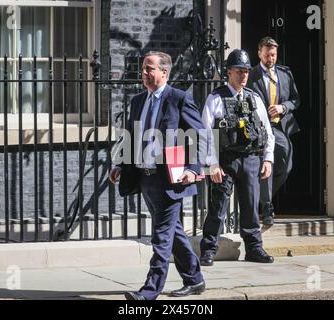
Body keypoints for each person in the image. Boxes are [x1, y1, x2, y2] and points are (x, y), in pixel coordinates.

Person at [109, 51, 205, 300]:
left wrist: (193, 169)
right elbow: (130, 134)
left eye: (150, 68)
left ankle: (150, 291)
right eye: (143, 68)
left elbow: (198, 136)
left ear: (165, 72)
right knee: (173, 232)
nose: (145, 73)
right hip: (145, 178)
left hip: (171, 179)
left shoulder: (179, 99)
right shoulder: (139, 100)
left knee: (161, 236)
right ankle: (195, 279)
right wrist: (120, 164)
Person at [199, 49, 275, 266]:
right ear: (229, 72)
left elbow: (267, 131)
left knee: (251, 207)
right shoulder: (216, 98)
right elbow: (205, 133)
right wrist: (212, 164)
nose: (243, 75)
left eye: (246, 71)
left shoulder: (255, 98)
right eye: (239, 71)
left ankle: (254, 249)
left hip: (251, 159)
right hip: (225, 160)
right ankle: (209, 249)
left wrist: (268, 159)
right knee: (218, 206)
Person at [247, 37, 301, 226]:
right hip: (261, 128)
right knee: (266, 163)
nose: (271, 58)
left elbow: (295, 99)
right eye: (268, 54)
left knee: (286, 165)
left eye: (274, 55)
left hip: (281, 127)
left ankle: (259, 196)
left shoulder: (285, 73)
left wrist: (283, 107)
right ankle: (267, 207)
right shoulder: (251, 74)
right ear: (259, 53)